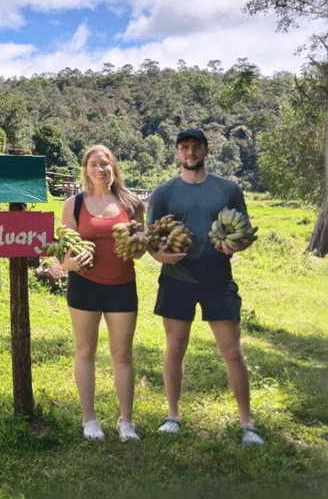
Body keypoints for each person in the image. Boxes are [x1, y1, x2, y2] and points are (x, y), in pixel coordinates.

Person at [148, 128, 264, 446]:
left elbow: (243, 233)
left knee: (232, 351)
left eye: (196, 147)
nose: (190, 152)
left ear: (206, 151)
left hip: (218, 279)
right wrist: (159, 255)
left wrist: (236, 246)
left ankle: (247, 424)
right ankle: (173, 416)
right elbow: (150, 239)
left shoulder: (228, 190)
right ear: (176, 153)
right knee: (174, 348)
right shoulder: (164, 193)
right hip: (177, 279)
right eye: (184, 147)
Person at [60, 144, 144, 442]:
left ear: (113, 168)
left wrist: (138, 245)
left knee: (122, 354)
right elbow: (65, 246)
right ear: (85, 169)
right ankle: (89, 420)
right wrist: (66, 264)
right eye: (94, 164)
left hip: (122, 285)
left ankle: (126, 421)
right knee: (85, 351)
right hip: (84, 285)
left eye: (105, 164)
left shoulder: (131, 203)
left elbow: (139, 250)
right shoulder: (75, 204)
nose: (100, 169)